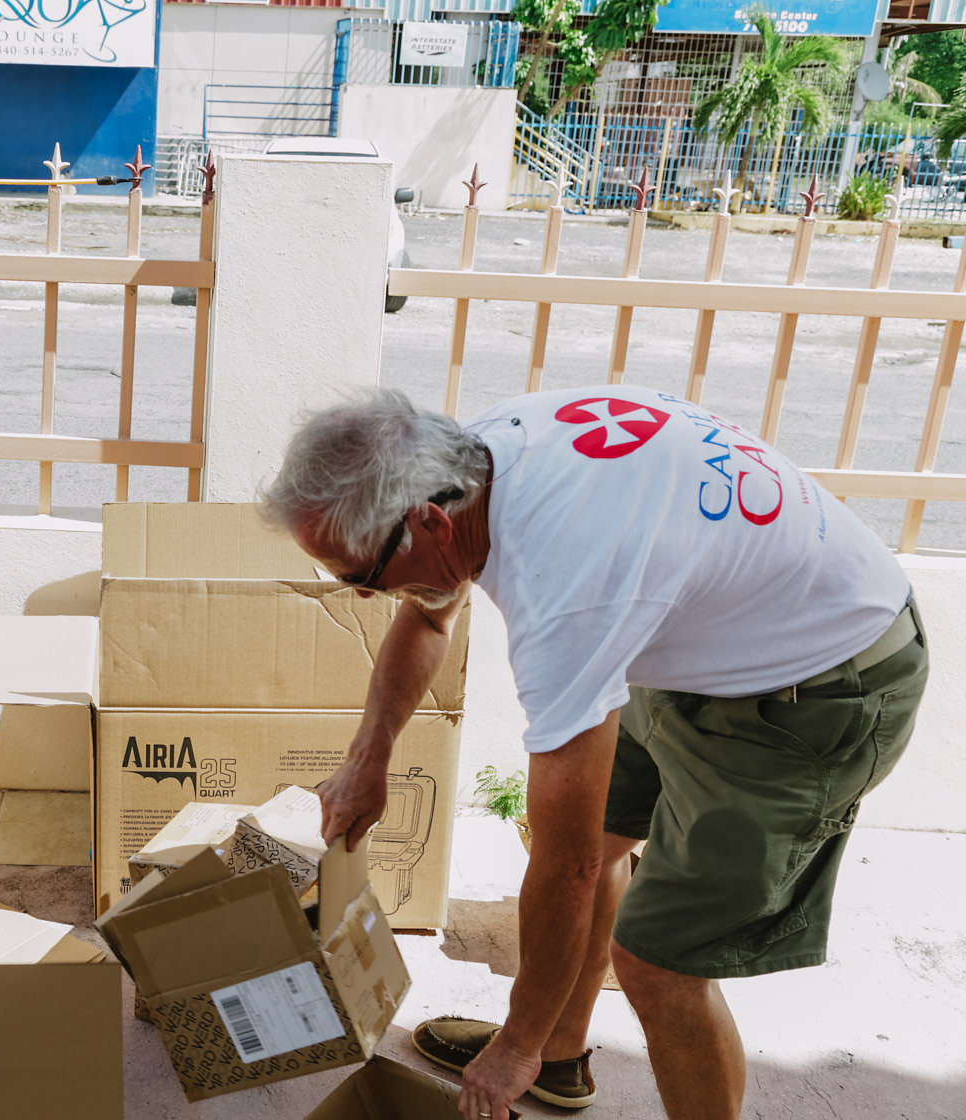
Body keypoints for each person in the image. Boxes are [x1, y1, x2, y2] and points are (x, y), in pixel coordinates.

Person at [262, 385, 926, 1120]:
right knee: (603, 831)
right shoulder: (461, 462)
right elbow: (428, 617)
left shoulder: (566, 593)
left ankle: (538, 1049)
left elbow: (567, 867)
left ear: (429, 523)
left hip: (824, 683)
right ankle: (557, 1055)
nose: (361, 596)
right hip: (702, 631)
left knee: (659, 963)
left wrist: (510, 1044)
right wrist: (369, 758)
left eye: (358, 576)